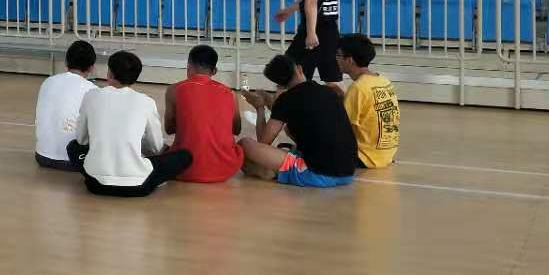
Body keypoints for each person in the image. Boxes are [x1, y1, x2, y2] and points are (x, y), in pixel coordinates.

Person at [73, 51, 193, 197]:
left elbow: (81, 140)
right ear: (135, 78)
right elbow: (155, 147)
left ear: (109, 73)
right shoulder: (146, 102)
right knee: (184, 156)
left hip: (95, 183)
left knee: (72, 147)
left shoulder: (91, 96)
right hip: (137, 186)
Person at [239, 54, 357, 187]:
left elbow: (263, 142)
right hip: (348, 171)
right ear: (299, 68)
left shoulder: (286, 100)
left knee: (244, 144)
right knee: (289, 129)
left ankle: (273, 172)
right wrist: (272, 103)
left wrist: (259, 107)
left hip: (318, 173)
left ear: (280, 85)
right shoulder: (328, 91)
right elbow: (295, 113)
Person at [163, 45, 243, 183]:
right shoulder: (230, 93)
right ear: (214, 71)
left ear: (188, 66)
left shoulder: (174, 90)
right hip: (224, 169)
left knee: (158, 148)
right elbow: (236, 130)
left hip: (183, 169)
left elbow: (169, 129)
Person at [337, 33, 400, 169]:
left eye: (339, 55)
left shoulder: (358, 88)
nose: (336, 59)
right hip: (385, 155)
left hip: (364, 157)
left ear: (350, 60)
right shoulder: (383, 81)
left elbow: (340, 128)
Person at [33, 39, 97, 170]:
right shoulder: (92, 90)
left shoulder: (48, 82)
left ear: (66, 62)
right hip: (75, 160)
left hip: (42, 156)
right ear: (91, 67)